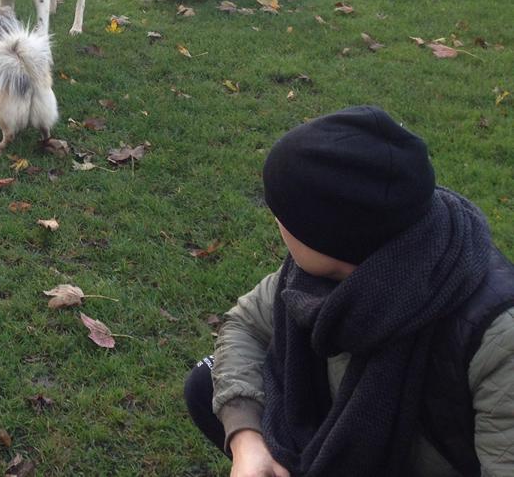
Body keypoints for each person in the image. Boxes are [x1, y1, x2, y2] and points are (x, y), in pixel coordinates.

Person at [184, 106, 514, 477]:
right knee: (205, 383)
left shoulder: (497, 336)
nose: (277, 220)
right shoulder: (341, 261)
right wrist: (248, 441)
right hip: (336, 441)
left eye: (284, 213)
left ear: (329, 239)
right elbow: (245, 324)